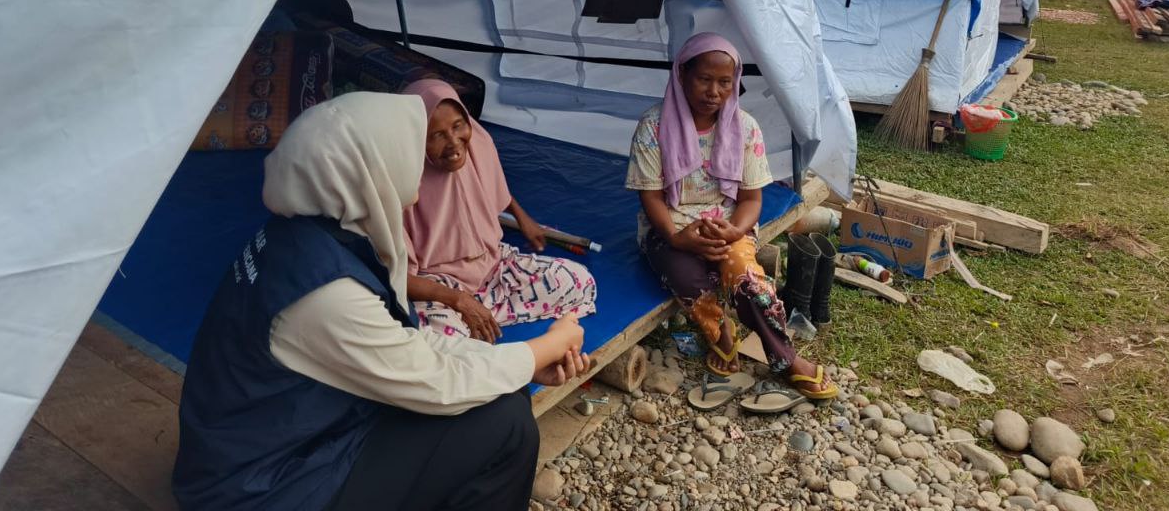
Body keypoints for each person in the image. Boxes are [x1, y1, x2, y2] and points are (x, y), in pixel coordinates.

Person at [172, 93, 589, 511]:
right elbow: (436, 381)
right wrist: (543, 349)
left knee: (501, 392)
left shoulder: (303, 236)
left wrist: (523, 363)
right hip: (261, 489)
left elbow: (405, 342)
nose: (412, 193)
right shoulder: (322, 295)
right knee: (505, 425)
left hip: (275, 447)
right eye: (404, 164)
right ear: (369, 173)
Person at [625, 32, 837, 400]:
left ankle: (785, 358)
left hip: (728, 226)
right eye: (704, 79)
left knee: (748, 279)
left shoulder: (746, 127)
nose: (714, 91)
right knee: (684, 273)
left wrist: (733, 232)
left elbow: (751, 200)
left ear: (735, 83)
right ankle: (722, 332)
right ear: (681, 76)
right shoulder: (653, 126)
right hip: (670, 227)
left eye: (725, 82)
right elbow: (652, 197)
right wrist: (678, 238)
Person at [402, 78, 597, 341]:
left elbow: (493, 185)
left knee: (578, 280)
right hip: (441, 284)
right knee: (439, 337)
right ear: (415, 139)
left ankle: (484, 316)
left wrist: (521, 216)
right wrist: (458, 300)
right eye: (436, 135)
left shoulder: (477, 144)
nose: (454, 142)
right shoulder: (401, 182)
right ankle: (474, 318)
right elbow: (399, 278)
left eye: (458, 126)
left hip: (494, 267)